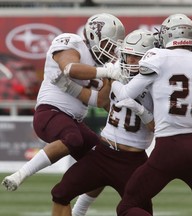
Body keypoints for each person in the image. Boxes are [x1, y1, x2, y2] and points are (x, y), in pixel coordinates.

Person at [110, 14, 192, 216]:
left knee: (127, 206)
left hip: (169, 147)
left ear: (167, 35)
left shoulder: (158, 57)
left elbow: (125, 94)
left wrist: (112, 75)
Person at [1, 13, 125, 192]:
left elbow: (99, 101)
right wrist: (106, 72)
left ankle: (75, 207)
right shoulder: (73, 42)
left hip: (73, 120)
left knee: (101, 162)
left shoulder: (102, 67)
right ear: (93, 36)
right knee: (72, 139)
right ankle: (20, 174)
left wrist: (112, 80)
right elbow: (70, 69)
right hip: (49, 112)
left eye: (114, 47)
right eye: (109, 44)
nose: (112, 51)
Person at [50, 29, 156, 216]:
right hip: (103, 153)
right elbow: (104, 104)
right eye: (128, 55)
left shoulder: (157, 85)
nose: (131, 61)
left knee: (137, 210)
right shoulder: (116, 72)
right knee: (60, 193)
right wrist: (109, 80)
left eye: (137, 57)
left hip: (132, 160)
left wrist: (141, 111)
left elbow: (156, 127)